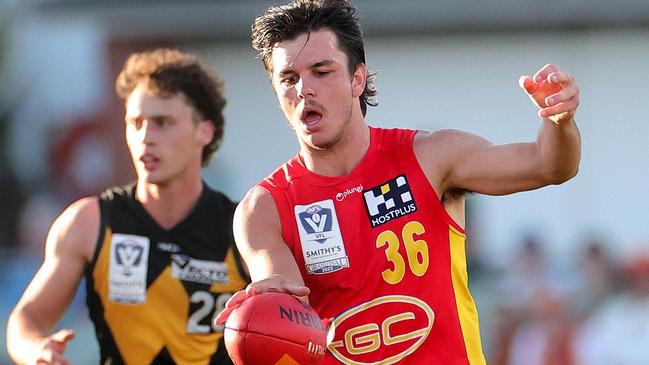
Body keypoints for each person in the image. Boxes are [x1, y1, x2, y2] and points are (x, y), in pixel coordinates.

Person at [216, 0, 581, 364]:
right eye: (289, 78)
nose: (304, 90)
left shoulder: (431, 155)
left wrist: (559, 121)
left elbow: (549, 165)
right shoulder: (263, 208)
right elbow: (284, 300)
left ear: (357, 78)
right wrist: (261, 315)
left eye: (321, 72)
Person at [6, 48, 249, 365]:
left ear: (205, 130)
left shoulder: (245, 226)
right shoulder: (88, 222)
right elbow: (26, 321)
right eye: (136, 123)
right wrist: (37, 350)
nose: (145, 137)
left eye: (163, 122)